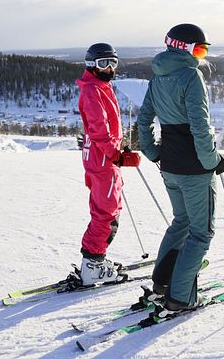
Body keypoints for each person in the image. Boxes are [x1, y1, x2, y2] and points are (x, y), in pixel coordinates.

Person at [137, 23, 224, 314]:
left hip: (170, 166)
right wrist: (212, 160)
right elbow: (200, 127)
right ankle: (181, 298)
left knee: (181, 223)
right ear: (183, 48)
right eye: (199, 49)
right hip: (194, 168)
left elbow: (144, 120)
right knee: (201, 234)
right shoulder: (191, 76)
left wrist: (152, 151)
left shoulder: (157, 77)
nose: (201, 56)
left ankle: (162, 284)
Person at [76, 42, 129, 285]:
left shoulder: (99, 87)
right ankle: (93, 266)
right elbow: (99, 130)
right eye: (103, 64)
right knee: (106, 213)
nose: (109, 69)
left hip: (102, 158)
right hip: (103, 160)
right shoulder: (92, 91)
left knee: (104, 209)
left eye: (113, 63)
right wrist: (114, 153)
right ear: (91, 65)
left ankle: (94, 261)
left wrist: (116, 150)